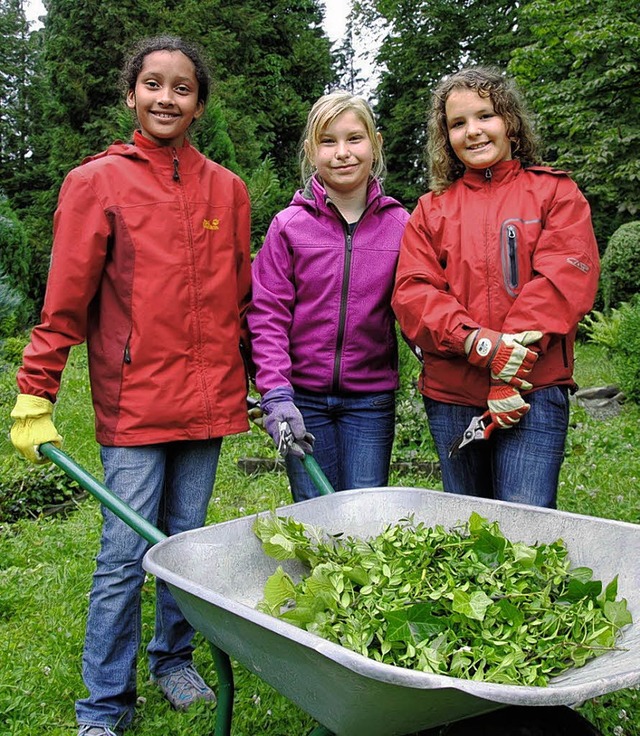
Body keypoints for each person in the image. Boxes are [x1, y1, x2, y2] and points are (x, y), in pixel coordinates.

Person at [9, 35, 252, 736]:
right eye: (153, 84)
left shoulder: (226, 191)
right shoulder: (97, 184)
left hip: (207, 404)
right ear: (130, 95)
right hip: (136, 404)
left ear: (199, 103)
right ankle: (103, 705)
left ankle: (172, 660)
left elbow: (238, 303)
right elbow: (65, 301)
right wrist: (35, 390)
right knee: (124, 554)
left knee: (186, 546)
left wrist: (265, 385)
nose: (166, 97)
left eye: (182, 87)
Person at [392, 66, 599, 509]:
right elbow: (413, 294)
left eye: (484, 116)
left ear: (509, 122)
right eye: (457, 123)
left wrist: (510, 374)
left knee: (526, 532)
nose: (473, 131)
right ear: (445, 136)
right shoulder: (431, 210)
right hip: (452, 396)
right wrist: (482, 346)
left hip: (534, 391)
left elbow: (563, 281)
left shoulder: (555, 194)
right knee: (469, 527)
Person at [248, 91, 409, 501]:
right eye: (328, 141)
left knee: (365, 511)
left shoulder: (401, 225)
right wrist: (276, 395)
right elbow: (268, 316)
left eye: (354, 139)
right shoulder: (289, 226)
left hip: (370, 401)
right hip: (302, 399)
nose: (342, 153)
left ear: (376, 144)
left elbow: (417, 307)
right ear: (310, 151)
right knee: (315, 514)